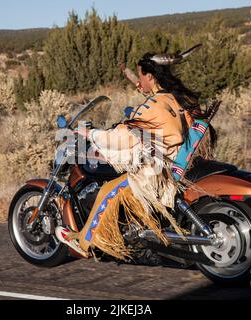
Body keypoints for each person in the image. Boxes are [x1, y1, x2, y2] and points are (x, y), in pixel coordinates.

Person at [55, 52, 213, 260]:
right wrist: (127, 73)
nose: (139, 82)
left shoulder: (152, 106)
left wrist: (90, 133)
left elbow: (123, 138)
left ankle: (84, 242)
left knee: (108, 192)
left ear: (150, 76)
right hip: (176, 162)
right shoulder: (176, 98)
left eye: (140, 75)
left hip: (156, 174)